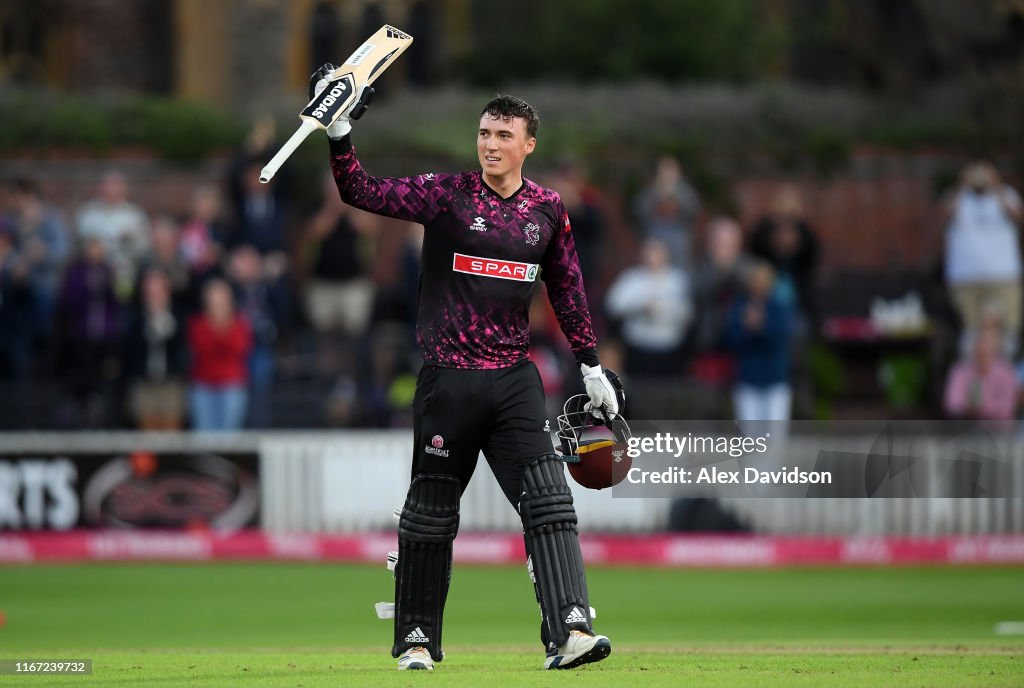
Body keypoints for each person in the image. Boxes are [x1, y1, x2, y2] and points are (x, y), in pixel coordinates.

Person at [315, 63, 617, 672]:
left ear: (528, 145)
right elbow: (362, 192)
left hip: (513, 379)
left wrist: (590, 365)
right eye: (484, 133)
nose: (491, 145)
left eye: (504, 136)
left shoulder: (549, 210)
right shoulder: (448, 194)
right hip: (448, 380)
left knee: (550, 503)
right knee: (429, 516)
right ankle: (417, 641)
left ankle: (571, 633)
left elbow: (569, 290)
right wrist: (340, 132)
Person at [943, 160, 1023, 355]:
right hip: (965, 279)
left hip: (1003, 277)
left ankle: (1004, 381)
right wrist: (963, 185)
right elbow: (943, 215)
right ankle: (973, 382)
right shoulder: (958, 197)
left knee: (1006, 335)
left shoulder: (1006, 195)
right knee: (971, 337)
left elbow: (1019, 217)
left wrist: (996, 185)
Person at [605, 236, 692, 376]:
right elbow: (613, 306)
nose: (653, 257)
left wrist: (667, 311)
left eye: (658, 252)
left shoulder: (678, 280)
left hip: (670, 346)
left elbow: (687, 310)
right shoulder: (631, 278)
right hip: (638, 346)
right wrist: (639, 308)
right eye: (650, 252)